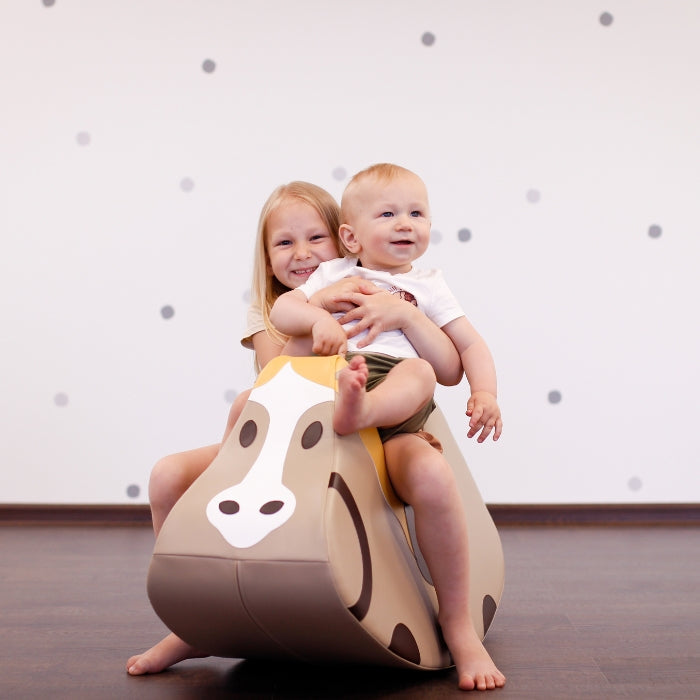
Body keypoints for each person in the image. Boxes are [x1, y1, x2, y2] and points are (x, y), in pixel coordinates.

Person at [126, 180, 461, 677]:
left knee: (427, 466)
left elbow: (431, 367)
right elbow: (274, 386)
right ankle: (192, 619)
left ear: (348, 244)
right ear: (266, 259)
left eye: (316, 240)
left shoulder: (380, 291)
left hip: (358, 436)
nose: (302, 254)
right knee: (167, 475)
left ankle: (457, 626)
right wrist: (317, 311)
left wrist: (399, 318)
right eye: (284, 243)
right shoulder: (276, 314)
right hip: (283, 445)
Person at [270, 163, 506, 691]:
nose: (407, 223)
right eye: (389, 214)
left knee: (419, 370)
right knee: (255, 403)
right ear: (350, 236)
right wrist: (318, 319)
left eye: (417, 213)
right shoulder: (335, 275)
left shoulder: (428, 286)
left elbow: (465, 351)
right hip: (334, 386)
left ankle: (459, 628)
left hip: (395, 402)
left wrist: (484, 391)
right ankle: (352, 410)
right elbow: (286, 308)